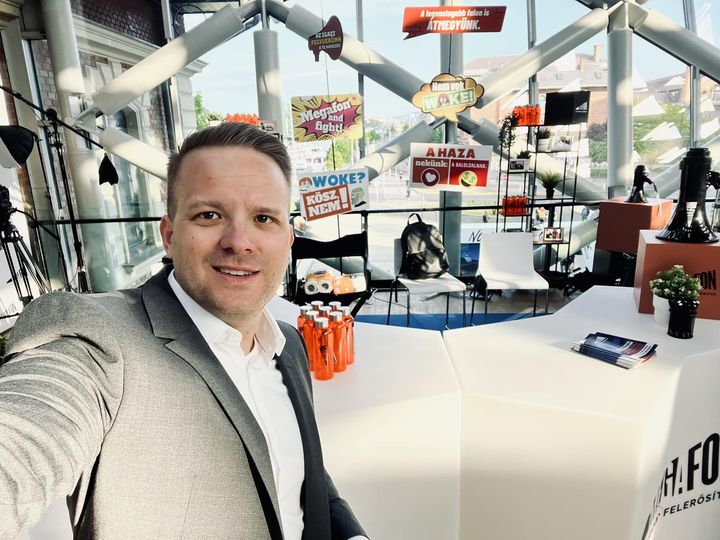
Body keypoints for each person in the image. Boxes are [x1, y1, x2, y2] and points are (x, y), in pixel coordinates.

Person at [0, 123, 368, 540]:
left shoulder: (289, 345)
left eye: (263, 218)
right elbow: (25, 437)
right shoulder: (96, 338)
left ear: (287, 240)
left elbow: (301, 475)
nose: (239, 241)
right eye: (209, 215)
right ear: (170, 235)